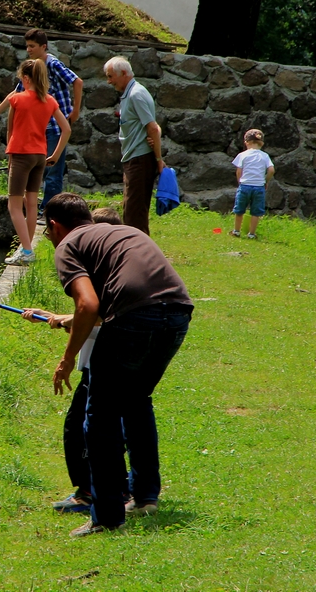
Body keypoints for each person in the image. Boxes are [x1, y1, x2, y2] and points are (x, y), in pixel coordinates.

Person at [23, 193, 192, 536]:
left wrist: (67, 360)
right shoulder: (125, 233)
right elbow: (105, 304)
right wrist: (65, 319)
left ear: (54, 226)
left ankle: (106, 516)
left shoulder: (68, 245)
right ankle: (145, 496)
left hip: (135, 319)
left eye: (46, 230)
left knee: (99, 418)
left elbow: (88, 303)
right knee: (135, 401)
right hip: (177, 313)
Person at [51, 206, 122, 516]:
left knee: (80, 427)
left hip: (100, 365)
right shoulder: (116, 269)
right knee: (116, 425)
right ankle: (119, 487)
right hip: (117, 359)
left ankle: (88, 492)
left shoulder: (94, 271)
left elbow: (92, 314)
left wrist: (66, 356)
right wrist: (60, 319)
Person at [0, 59, 70, 265]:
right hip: (40, 156)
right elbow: (66, 129)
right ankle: (26, 249)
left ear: (25, 78)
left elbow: (11, 130)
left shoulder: (17, 99)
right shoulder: (49, 100)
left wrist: (9, 153)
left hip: (21, 156)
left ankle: (26, 251)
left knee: (14, 205)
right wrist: (56, 155)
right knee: (31, 203)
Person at [14, 29, 82, 215]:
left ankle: (48, 211)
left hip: (56, 126)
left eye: (32, 46)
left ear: (43, 47)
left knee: (53, 171)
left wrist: (75, 110)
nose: (28, 49)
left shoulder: (53, 64)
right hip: (39, 126)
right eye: (27, 46)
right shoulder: (32, 67)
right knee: (37, 169)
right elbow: (18, 93)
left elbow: (77, 82)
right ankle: (36, 209)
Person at [103, 57, 164, 235]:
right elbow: (154, 127)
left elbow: (152, 127)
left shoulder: (136, 94)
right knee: (131, 210)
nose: (108, 81)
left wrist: (159, 159)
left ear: (123, 73)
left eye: (110, 76)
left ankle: (139, 256)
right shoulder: (130, 93)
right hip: (134, 159)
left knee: (134, 215)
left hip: (140, 159)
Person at [231, 128, 275, 239]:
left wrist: (240, 181)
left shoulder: (243, 155)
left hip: (245, 185)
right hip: (259, 187)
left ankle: (236, 231)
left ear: (246, 142)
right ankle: (251, 234)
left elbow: (239, 171)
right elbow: (271, 170)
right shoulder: (265, 156)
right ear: (262, 143)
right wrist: (265, 181)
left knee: (239, 209)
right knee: (256, 212)